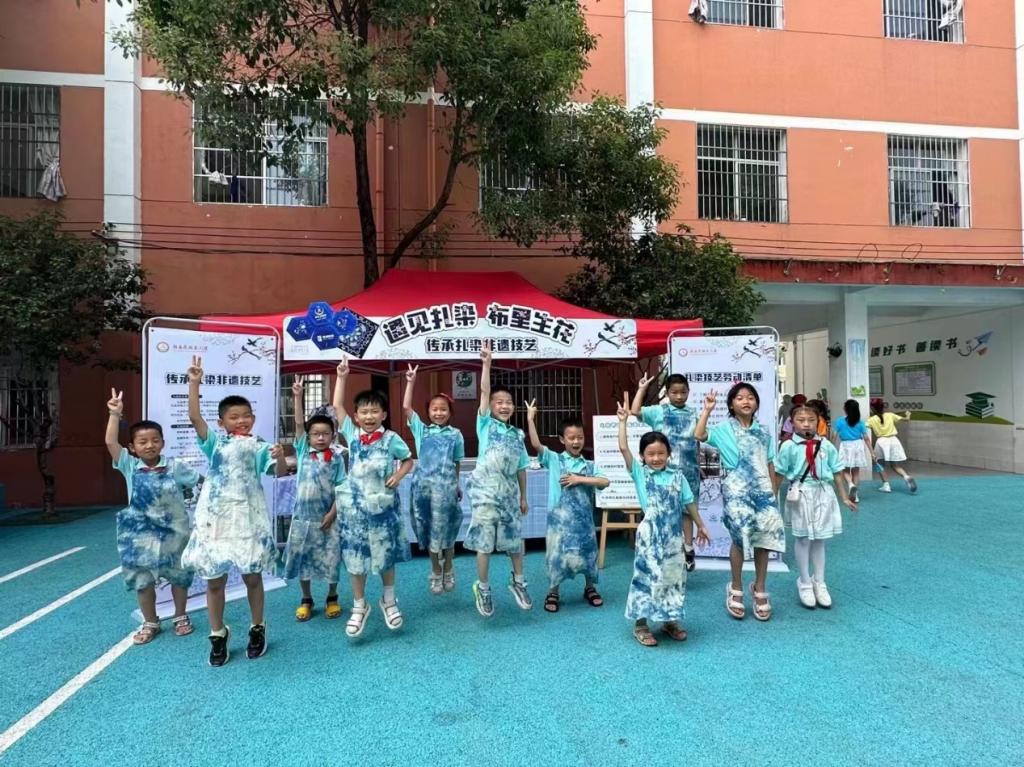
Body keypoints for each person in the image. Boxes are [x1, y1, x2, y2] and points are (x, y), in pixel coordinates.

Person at [179, 356, 279, 667]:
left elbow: (278, 471)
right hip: (216, 519)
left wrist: (279, 455)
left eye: (246, 416)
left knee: (252, 576)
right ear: (222, 422)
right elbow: (195, 417)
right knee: (214, 580)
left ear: (253, 418)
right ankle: (217, 633)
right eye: (234, 417)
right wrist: (194, 383)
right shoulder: (214, 444)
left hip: (248, 518)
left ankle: (258, 627)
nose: (241, 421)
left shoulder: (259, 446)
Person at [105, 389, 199, 645]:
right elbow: (111, 443)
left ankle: (180, 615)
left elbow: (201, 483)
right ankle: (151, 622)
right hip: (139, 537)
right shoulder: (129, 466)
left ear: (163, 443)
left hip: (174, 534)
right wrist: (114, 414)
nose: (149, 445)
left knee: (179, 576)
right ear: (132, 448)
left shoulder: (176, 467)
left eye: (155, 440)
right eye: (143, 442)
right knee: (142, 581)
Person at [617, 393, 710, 647]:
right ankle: (641, 624)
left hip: (673, 537)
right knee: (646, 577)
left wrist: (701, 525)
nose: (656, 458)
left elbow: (689, 503)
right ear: (643, 456)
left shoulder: (678, 476)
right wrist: (623, 423)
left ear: (669, 454)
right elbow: (623, 448)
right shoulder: (639, 473)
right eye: (651, 454)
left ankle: (669, 620)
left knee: (673, 577)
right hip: (649, 536)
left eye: (661, 453)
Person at [333, 359, 415, 637]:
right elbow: (337, 406)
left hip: (383, 510)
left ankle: (389, 600)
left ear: (383, 415)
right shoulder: (352, 435)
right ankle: (359, 605)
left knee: (385, 555)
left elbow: (408, 460)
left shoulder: (391, 439)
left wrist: (399, 475)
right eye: (364, 412)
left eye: (374, 411)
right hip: (355, 511)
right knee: (356, 557)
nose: (369, 416)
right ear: (356, 416)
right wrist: (342, 377)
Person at [695, 382, 784, 622]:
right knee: (739, 539)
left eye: (751, 397)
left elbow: (770, 463)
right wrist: (707, 410)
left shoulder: (763, 432)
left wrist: (773, 491)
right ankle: (736, 586)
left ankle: (760, 587)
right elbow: (699, 435)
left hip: (763, 493)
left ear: (756, 403)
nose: (746, 401)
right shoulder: (724, 429)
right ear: (732, 405)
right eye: (740, 398)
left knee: (764, 539)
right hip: (736, 491)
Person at [464, 342, 532, 617]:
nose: (504, 406)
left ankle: (518, 581)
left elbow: (522, 468)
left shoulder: (517, 435)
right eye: (499, 402)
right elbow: (483, 391)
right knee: (484, 543)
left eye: (508, 403)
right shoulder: (485, 423)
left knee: (514, 541)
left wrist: (524, 496)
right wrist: (487, 364)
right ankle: (482, 587)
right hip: (485, 495)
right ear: (490, 406)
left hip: (509, 496)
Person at [525, 402, 609, 613]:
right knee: (556, 555)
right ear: (562, 439)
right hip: (559, 524)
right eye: (571, 437)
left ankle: (590, 588)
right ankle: (553, 591)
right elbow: (536, 444)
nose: (576, 441)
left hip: (584, 522)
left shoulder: (589, 465)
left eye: (580, 437)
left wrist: (579, 479)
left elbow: (604, 481)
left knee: (588, 554)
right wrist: (530, 419)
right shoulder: (554, 459)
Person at [274, 377, 346, 622]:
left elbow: (341, 489)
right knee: (303, 560)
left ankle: (332, 596)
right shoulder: (304, 451)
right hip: (302, 520)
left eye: (325, 434)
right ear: (308, 437)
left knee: (331, 559)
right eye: (315, 434)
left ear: (333, 435)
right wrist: (297, 396)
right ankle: (306, 598)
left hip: (328, 519)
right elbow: (298, 424)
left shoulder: (337, 458)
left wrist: (332, 514)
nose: (320, 438)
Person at [776, 404, 857, 609]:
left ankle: (819, 581)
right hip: (800, 494)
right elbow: (779, 473)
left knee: (820, 539)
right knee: (803, 538)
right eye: (801, 420)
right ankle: (804, 581)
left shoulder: (826, 445)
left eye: (811, 420)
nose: (806, 424)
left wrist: (844, 497)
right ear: (792, 423)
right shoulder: (788, 446)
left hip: (823, 493)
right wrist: (771, 498)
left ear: (818, 422)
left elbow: (837, 471)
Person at [402, 364, 465, 595]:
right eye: (435, 409)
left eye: (443, 409)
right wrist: (411, 381)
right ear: (428, 412)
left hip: (446, 490)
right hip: (424, 490)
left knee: (448, 529)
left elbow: (457, 462)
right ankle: (435, 570)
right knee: (429, 530)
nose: (439, 413)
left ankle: (448, 567)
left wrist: (456, 484)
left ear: (449, 412)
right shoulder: (422, 431)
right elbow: (406, 407)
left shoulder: (456, 434)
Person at [630, 372, 700, 571]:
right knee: (664, 511)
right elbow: (635, 411)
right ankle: (664, 552)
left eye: (683, 392)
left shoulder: (693, 413)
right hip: (662, 472)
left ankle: (688, 548)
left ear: (688, 392)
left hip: (689, 470)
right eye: (674, 392)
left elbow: (699, 438)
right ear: (667, 393)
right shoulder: (658, 411)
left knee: (687, 510)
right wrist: (642, 388)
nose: (679, 396)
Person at [867, 400, 917, 494]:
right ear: (883, 407)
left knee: (879, 464)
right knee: (895, 465)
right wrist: (908, 414)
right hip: (894, 440)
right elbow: (906, 419)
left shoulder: (871, 419)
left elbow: (862, 427)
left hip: (881, 442)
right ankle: (906, 477)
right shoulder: (890, 415)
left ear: (872, 408)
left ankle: (886, 485)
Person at [833, 399, 872, 503]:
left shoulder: (840, 421)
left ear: (845, 409)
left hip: (846, 445)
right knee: (856, 471)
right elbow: (866, 438)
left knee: (844, 469)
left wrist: (831, 446)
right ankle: (856, 495)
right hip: (858, 445)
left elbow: (834, 435)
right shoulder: (860, 422)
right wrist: (872, 452)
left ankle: (850, 484)